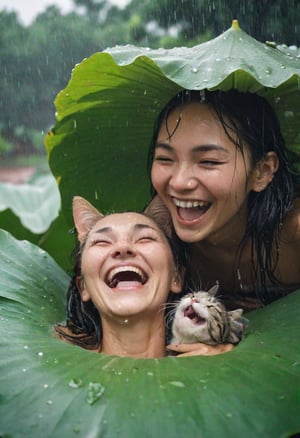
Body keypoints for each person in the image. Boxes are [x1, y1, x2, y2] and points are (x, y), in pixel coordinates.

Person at [146, 89, 300, 316]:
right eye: (165, 159)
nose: (179, 182)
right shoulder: (154, 232)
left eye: (208, 161)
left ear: (262, 171)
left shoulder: (294, 230)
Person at [55, 196, 233, 357]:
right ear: (83, 286)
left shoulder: (220, 365)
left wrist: (225, 364)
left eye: (145, 238)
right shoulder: (51, 363)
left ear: (176, 277)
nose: (123, 247)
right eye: (102, 241)